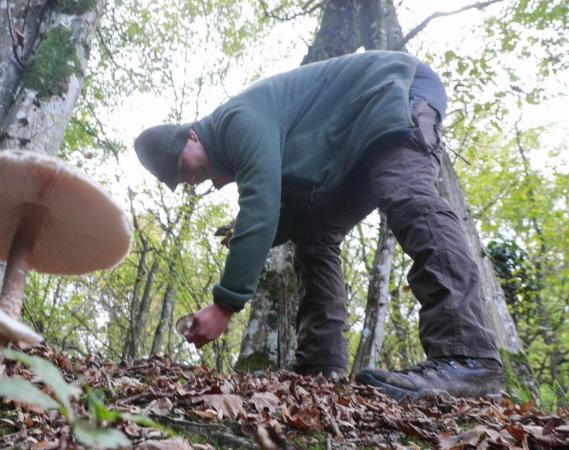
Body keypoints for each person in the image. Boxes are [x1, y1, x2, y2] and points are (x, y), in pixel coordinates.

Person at [133, 50, 505, 401]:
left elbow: (260, 204)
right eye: (180, 181)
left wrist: (224, 305)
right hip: (353, 139)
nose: (189, 180)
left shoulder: (237, 120)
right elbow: (290, 211)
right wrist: (261, 231)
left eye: (182, 167)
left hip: (394, 90)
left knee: (406, 190)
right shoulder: (245, 139)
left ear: (193, 135)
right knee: (314, 236)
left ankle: (469, 356)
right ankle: (319, 364)